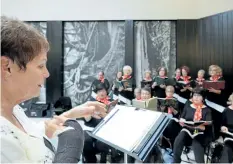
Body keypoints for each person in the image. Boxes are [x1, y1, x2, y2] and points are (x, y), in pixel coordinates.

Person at [1, 16, 107, 163]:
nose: (47, 73)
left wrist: (70, 115)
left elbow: (30, 137)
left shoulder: (14, 111)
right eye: (40, 66)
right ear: (6, 67)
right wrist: (70, 148)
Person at [173, 88, 212, 163]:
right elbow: (182, 118)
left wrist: (203, 124)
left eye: (199, 95)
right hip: (187, 129)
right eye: (194, 95)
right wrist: (182, 121)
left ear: (203, 98)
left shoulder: (207, 110)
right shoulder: (188, 107)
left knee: (196, 143)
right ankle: (175, 162)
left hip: (199, 131)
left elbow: (209, 123)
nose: (196, 97)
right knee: (179, 139)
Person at [219, 93, 233, 163]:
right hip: (229, 135)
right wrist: (222, 127)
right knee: (227, 150)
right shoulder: (226, 110)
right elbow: (222, 124)